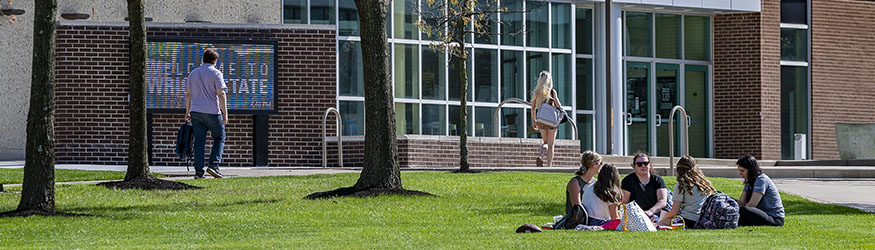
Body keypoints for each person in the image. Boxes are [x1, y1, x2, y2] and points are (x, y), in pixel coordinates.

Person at [185, 49, 228, 179]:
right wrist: (225, 114)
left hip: (196, 111)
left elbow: (188, 94)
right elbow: (221, 94)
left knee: (199, 141)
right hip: (212, 112)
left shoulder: (193, 73)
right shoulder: (216, 73)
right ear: (215, 61)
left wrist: (187, 111)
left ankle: (199, 172)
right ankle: (213, 166)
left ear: (203, 59)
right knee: (219, 137)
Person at [657, 155, 716, 227]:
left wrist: (664, 219)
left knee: (660, 224)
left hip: (687, 220)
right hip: (702, 219)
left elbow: (674, 212)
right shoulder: (705, 184)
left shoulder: (681, 186)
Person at [736, 155, 785, 226]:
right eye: (739, 170)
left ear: (750, 170)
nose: (740, 173)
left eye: (742, 171)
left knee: (745, 211)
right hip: (760, 214)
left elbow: (752, 205)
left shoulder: (761, 180)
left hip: (774, 218)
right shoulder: (749, 181)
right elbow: (741, 202)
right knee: (733, 203)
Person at [621, 152, 669, 221]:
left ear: (649, 165)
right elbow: (625, 202)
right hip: (635, 216)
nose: (643, 166)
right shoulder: (627, 181)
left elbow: (662, 201)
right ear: (634, 166)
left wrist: (650, 211)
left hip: (654, 215)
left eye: (645, 163)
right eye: (639, 164)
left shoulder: (658, 180)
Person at [530, 71, 563, 167]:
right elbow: (558, 105)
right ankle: (549, 165)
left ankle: (541, 155)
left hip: (541, 120)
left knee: (545, 142)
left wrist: (534, 121)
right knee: (551, 144)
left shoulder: (536, 92)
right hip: (552, 121)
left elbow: (533, 108)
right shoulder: (552, 92)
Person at [565, 151, 602, 215]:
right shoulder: (575, 183)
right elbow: (577, 208)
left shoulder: (596, 182)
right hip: (577, 221)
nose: (601, 165)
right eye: (600, 163)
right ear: (593, 164)